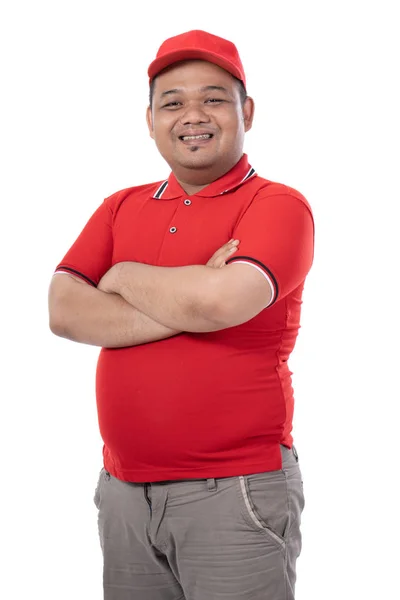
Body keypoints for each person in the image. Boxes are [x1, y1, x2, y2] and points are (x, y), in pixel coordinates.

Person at [48, 29, 314, 600]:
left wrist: (122, 280)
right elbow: (65, 310)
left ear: (246, 111)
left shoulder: (277, 205)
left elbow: (224, 302)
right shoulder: (120, 206)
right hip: (122, 494)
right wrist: (189, 296)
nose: (193, 114)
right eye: (173, 102)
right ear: (149, 120)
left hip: (234, 493)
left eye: (214, 98)